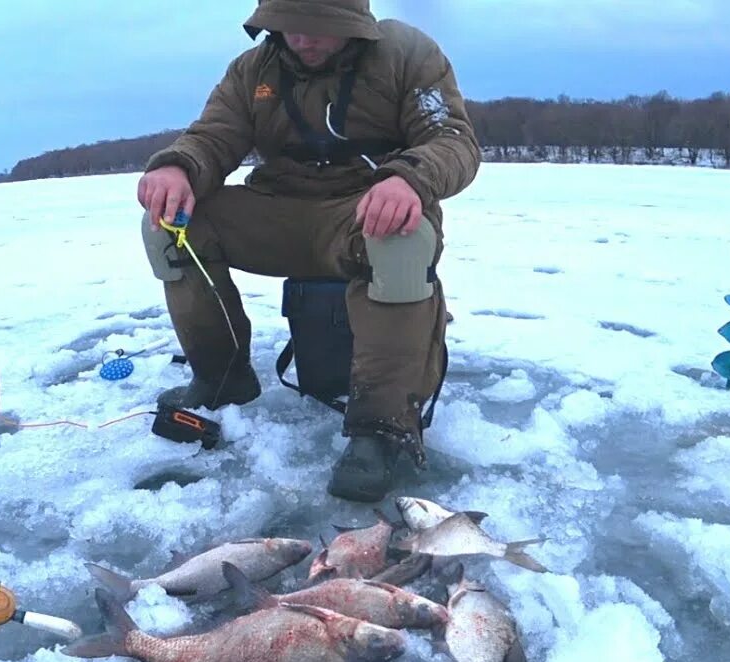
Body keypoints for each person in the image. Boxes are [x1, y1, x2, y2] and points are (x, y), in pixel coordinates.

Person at [136, 0, 480, 503]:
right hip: (278, 212)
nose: (303, 39)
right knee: (172, 227)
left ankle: (382, 429)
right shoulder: (253, 71)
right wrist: (178, 168)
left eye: (319, 28)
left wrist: (410, 178)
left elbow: (453, 139)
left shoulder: (407, 53)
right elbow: (212, 136)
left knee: (403, 242)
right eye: (289, 28)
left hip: (365, 212)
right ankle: (221, 379)